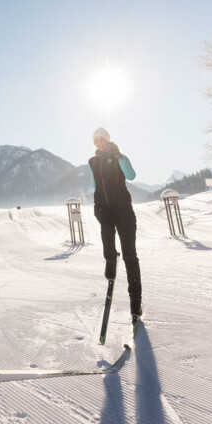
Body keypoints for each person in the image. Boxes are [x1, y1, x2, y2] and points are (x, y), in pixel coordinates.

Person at [88, 127, 142, 320]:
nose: (100, 143)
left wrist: (120, 157)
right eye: (97, 141)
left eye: (103, 140)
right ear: (95, 143)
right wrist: (98, 208)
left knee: (130, 256)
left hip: (124, 213)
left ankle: (136, 302)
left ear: (108, 140)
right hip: (107, 212)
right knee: (106, 235)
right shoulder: (92, 162)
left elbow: (131, 175)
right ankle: (110, 259)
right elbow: (96, 187)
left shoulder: (119, 157)